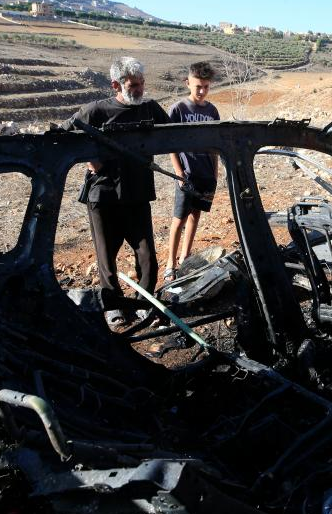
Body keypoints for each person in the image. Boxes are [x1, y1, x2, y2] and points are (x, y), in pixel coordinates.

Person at [63, 56, 169, 327]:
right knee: (106, 257)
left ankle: (144, 303)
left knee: (147, 257)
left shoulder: (150, 109)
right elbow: (63, 134)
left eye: (142, 83)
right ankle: (113, 306)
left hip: (138, 193)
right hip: (104, 195)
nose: (140, 89)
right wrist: (90, 158)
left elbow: (174, 133)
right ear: (115, 85)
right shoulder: (96, 111)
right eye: (133, 85)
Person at [164, 61, 220, 282]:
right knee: (179, 218)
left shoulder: (212, 111)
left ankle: (185, 257)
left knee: (195, 215)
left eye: (206, 87)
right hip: (186, 175)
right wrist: (179, 172)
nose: (202, 91)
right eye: (198, 86)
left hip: (206, 174)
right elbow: (170, 144)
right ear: (187, 83)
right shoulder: (178, 109)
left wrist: (215, 173)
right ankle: (170, 263)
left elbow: (215, 146)